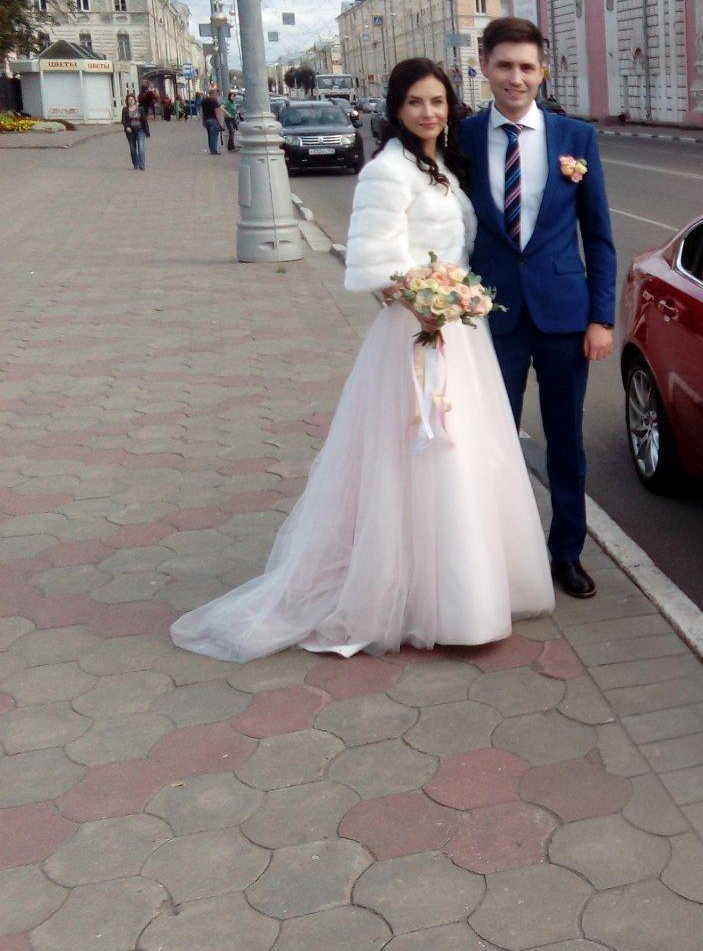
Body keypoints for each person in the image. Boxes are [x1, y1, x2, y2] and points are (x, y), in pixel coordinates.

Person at [170, 57, 554, 661]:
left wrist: (455, 301)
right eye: (415, 102)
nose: (428, 112)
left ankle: (469, 592)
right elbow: (376, 262)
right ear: (396, 109)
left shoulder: (440, 166)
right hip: (417, 335)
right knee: (423, 456)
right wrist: (424, 303)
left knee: (463, 453)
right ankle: (429, 602)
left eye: (437, 101)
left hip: (459, 331)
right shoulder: (387, 171)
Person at [461, 16, 617, 600]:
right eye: (504, 65)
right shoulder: (462, 137)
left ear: (542, 71)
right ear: (484, 66)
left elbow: (598, 236)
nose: (516, 77)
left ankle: (566, 552)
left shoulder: (576, 139)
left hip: (563, 318)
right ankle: (502, 554)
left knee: (565, 442)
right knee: (491, 441)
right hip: (489, 316)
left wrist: (601, 318)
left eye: (527, 66)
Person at [120, 93, 146, 171]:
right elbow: (123, 120)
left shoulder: (140, 109)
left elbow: (144, 120)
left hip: (140, 130)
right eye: (129, 100)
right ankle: (135, 163)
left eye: (132, 99)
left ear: (135, 100)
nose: (131, 101)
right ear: (127, 101)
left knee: (141, 148)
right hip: (130, 131)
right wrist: (127, 127)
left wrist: (146, 130)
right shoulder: (125, 110)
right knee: (133, 149)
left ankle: (142, 165)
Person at [200, 90, 222, 154]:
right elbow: (217, 113)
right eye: (216, 94)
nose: (217, 96)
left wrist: (203, 120)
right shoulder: (214, 102)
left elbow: (202, 112)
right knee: (214, 136)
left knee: (210, 135)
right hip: (213, 120)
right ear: (213, 94)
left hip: (206, 120)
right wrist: (220, 122)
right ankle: (213, 151)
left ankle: (211, 149)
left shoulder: (204, 101)